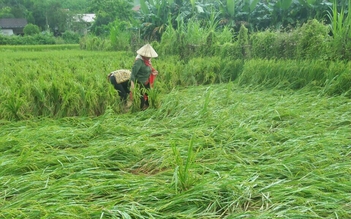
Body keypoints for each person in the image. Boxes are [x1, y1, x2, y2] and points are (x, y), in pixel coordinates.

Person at [130, 43, 158, 110]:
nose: (149, 57)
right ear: (143, 55)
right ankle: (140, 111)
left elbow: (149, 68)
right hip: (140, 83)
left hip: (146, 82)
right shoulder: (139, 62)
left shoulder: (148, 61)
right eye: (148, 56)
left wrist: (153, 71)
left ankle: (148, 108)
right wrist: (132, 84)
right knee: (141, 99)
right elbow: (133, 74)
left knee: (149, 96)